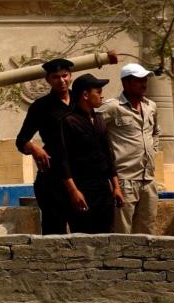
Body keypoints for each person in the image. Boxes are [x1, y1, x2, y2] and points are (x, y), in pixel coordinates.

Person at [98, 63, 160, 234]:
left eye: (145, 80)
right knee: (122, 233)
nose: (144, 84)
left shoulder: (151, 107)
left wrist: (153, 150)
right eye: (138, 80)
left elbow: (155, 132)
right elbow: (92, 128)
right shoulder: (113, 107)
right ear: (126, 83)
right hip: (124, 180)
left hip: (148, 179)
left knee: (147, 232)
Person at [15, 58, 75, 234]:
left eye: (64, 76)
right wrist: (34, 148)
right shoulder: (41, 106)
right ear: (48, 80)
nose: (61, 80)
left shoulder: (80, 101)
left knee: (84, 232)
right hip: (53, 179)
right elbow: (21, 140)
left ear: (71, 76)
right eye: (56, 77)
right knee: (54, 232)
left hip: (80, 176)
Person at [57, 73, 121, 233]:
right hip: (82, 190)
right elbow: (63, 160)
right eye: (98, 92)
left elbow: (108, 155)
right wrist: (74, 192)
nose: (102, 95)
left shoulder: (99, 120)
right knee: (84, 240)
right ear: (85, 95)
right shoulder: (69, 121)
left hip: (103, 191)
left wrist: (116, 187)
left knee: (107, 236)